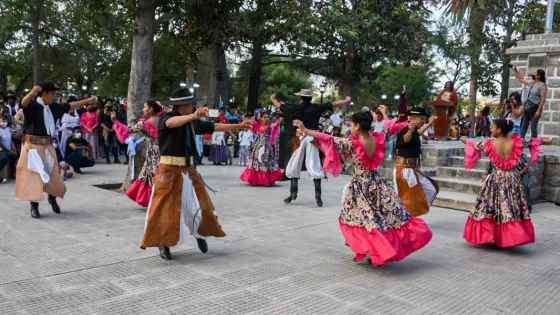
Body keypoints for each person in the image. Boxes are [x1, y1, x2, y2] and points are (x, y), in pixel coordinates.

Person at [292, 111, 432, 265]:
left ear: (357, 126)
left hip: (361, 186)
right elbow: (389, 130)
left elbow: (328, 138)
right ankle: (372, 251)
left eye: (351, 125)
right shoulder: (377, 138)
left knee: (361, 219)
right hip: (378, 183)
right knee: (380, 218)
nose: (350, 127)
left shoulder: (353, 144)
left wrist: (305, 129)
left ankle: (375, 251)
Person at [141, 87, 252, 260]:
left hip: (189, 171)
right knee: (165, 210)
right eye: (191, 103)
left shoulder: (192, 121)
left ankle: (200, 235)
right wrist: (194, 116)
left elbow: (213, 126)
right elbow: (172, 124)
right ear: (182, 105)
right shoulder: (166, 118)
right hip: (168, 172)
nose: (194, 105)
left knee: (200, 206)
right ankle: (164, 244)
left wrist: (238, 125)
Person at [461, 118, 552, 247]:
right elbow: (532, 142)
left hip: (496, 179)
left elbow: (474, 143)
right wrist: (547, 141)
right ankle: (509, 235)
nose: (490, 129)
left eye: (492, 127)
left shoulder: (489, 143)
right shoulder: (517, 142)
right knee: (510, 207)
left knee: (490, 206)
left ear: (499, 130)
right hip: (513, 179)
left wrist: (464, 140)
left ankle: (492, 234)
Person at [17, 84, 97, 218]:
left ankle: (52, 198)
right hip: (33, 146)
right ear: (45, 94)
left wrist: (88, 101)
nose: (54, 96)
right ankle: (34, 207)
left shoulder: (52, 107)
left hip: (48, 146)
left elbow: (71, 105)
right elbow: (23, 103)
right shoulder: (33, 105)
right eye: (52, 93)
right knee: (34, 177)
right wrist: (32, 91)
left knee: (52, 174)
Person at [271, 89, 352, 207]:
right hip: (312, 136)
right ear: (311, 98)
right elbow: (333, 104)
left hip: (299, 137)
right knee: (314, 164)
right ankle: (317, 195)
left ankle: (293, 193)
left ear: (301, 98)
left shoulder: (294, 107)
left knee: (294, 164)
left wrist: (273, 99)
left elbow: (279, 105)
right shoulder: (316, 108)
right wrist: (346, 100)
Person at [380, 105, 439, 217]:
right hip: (403, 170)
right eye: (421, 119)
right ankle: (399, 219)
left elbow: (418, 133)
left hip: (412, 169)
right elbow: (405, 139)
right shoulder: (405, 128)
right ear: (413, 118)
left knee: (431, 189)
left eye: (424, 119)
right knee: (403, 199)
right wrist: (411, 130)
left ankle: (410, 216)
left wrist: (429, 124)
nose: (423, 121)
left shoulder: (414, 130)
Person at [113, 99, 161, 207]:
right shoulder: (163, 120)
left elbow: (128, 130)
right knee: (154, 174)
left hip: (153, 154)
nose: (143, 109)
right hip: (163, 151)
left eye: (145, 107)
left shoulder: (144, 124)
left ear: (151, 109)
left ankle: (155, 200)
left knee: (151, 175)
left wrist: (115, 121)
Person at [240, 112, 283, 186]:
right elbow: (249, 123)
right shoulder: (257, 126)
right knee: (257, 163)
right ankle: (257, 180)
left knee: (265, 163)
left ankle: (266, 180)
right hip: (257, 147)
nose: (266, 119)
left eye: (267, 117)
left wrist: (279, 121)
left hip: (266, 148)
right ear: (261, 118)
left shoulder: (270, 126)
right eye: (264, 117)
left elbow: (276, 124)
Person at [513, 66, 547, 139]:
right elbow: (522, 79)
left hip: (535, 108)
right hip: (527, 106)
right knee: (524, 125)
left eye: (535, 73)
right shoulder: (532, 83)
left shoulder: (543, 85)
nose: (534, 74)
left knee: (533, 127)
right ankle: (520, 141)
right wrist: (516, 70)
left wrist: (538, 111)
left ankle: (534, 144)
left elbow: (543, 99)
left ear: (538, 76)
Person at [0, 115, 17, 183]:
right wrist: (8, 150)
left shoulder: (7, 129)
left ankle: (13, 172)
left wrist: (13, 147)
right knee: (4, 158)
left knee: (16, 154)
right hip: (2, 150)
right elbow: (0, 143)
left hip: (8, 150)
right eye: (2, 121)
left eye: (5, 121)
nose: (4, 122)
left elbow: (10, 140)